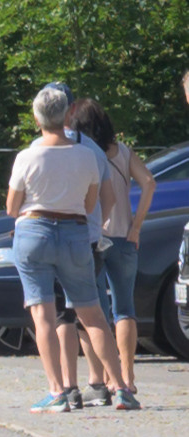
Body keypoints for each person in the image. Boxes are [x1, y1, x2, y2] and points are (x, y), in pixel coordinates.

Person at [7, 84, 124, 413]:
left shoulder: (27, 156)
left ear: (36, 117)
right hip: (75, 233)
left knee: (44, 316)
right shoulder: (87, 154)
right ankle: (121, 387)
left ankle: (58, 390)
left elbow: (11, 207)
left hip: (34, 231)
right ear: (68, 114)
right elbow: (90, 205)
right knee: (94, 316)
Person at [70, 98, 152, 409]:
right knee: (125, 308)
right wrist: (137, 226)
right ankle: (127, 380)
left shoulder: (83, 154)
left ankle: (103, 379)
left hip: (93, 240)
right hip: (125, 238)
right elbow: (149, 183)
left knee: (91, 312)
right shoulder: (123, 152)